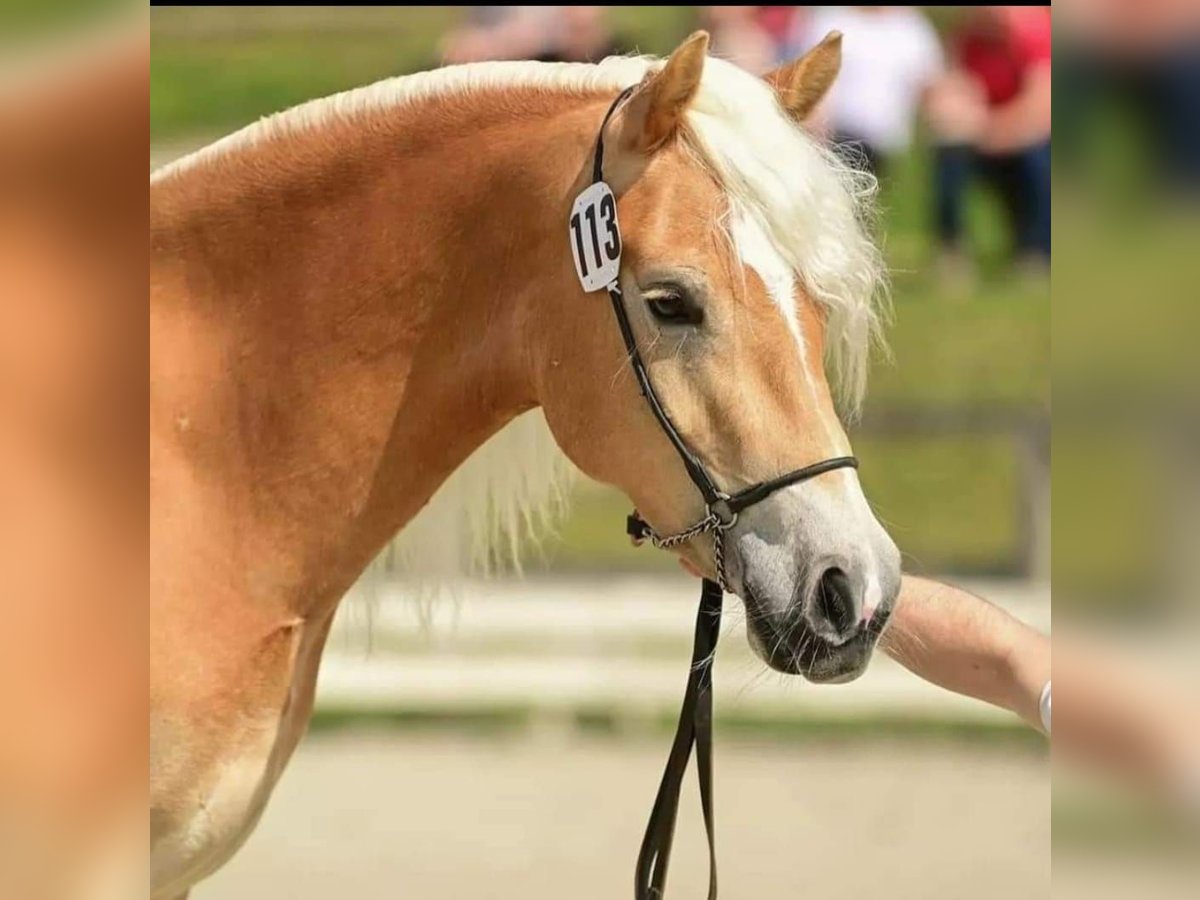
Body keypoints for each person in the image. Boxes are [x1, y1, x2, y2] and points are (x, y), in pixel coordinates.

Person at [929, 6, 1052, 276]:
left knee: (1038, 160)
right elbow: (950, 95)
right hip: (984, 137)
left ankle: (1037, 251)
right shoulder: (965, 38)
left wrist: (989, 129)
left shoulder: (1034, 33)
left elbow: (1041, 108)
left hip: (1025, 138)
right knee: (950, 155)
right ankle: (952, 248)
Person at [798, 6, 945, 181]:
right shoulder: (830, 20)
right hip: (834, 133)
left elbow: (931, 86)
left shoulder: (913, 29)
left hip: (881, 141)